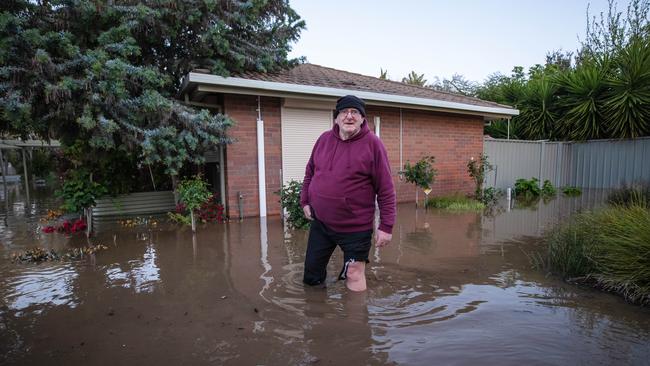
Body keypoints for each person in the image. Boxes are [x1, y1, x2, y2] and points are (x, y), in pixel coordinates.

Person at [300, 95, 396, 291]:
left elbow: (386, 188)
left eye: (355, 112)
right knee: (311, 275)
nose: (349, 116)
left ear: (362, 118)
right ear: (336, 118)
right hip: (322, 223)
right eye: (344, 112)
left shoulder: (373, 144)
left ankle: (356, 320)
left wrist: (386, 226)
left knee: (353, 274)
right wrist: (305, 201)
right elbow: (310, 171)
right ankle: (318, 314)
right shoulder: (323, 140)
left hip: (355, 228)